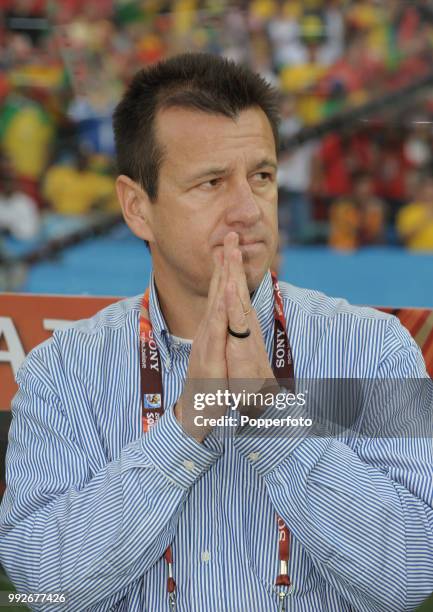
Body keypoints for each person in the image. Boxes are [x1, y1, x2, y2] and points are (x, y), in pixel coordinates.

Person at [0, 52, 432, 612]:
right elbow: (43, 584)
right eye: (210, 182)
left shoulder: (375, 348)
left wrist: (272, 420)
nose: (248, 210)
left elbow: (415, 572)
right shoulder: (62, 370)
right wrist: (183, 430)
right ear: (137, 208)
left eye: (262, 176)